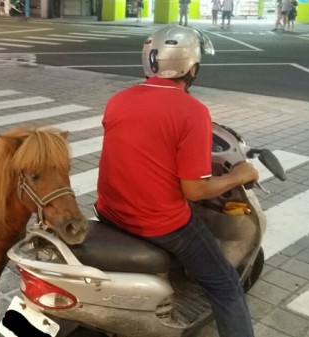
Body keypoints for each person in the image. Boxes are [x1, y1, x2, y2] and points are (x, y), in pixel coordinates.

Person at [95, 25, 258, 337]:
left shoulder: (118, 100)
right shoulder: (192, 111)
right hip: (162, 226)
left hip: (110, 212)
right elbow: (195, 190)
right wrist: (239, 175)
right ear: (192, 68)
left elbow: (141, 147)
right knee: (226, 288)